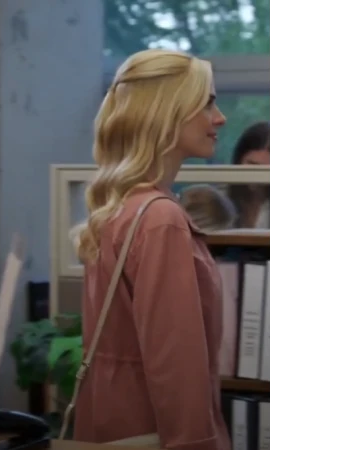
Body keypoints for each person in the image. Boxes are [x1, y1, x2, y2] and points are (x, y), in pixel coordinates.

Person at [71, 49, 230, 450]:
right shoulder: (160, 218)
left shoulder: (120, 208)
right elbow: (177, 368)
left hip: (112, 424)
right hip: (155, 431)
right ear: (166, 110)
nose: (220, 117)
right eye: (207, 102)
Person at [227, 121, 271, 228]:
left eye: (266, 169)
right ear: (239, 160)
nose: (258, 175)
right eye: (253, 165)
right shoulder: (220, 198)